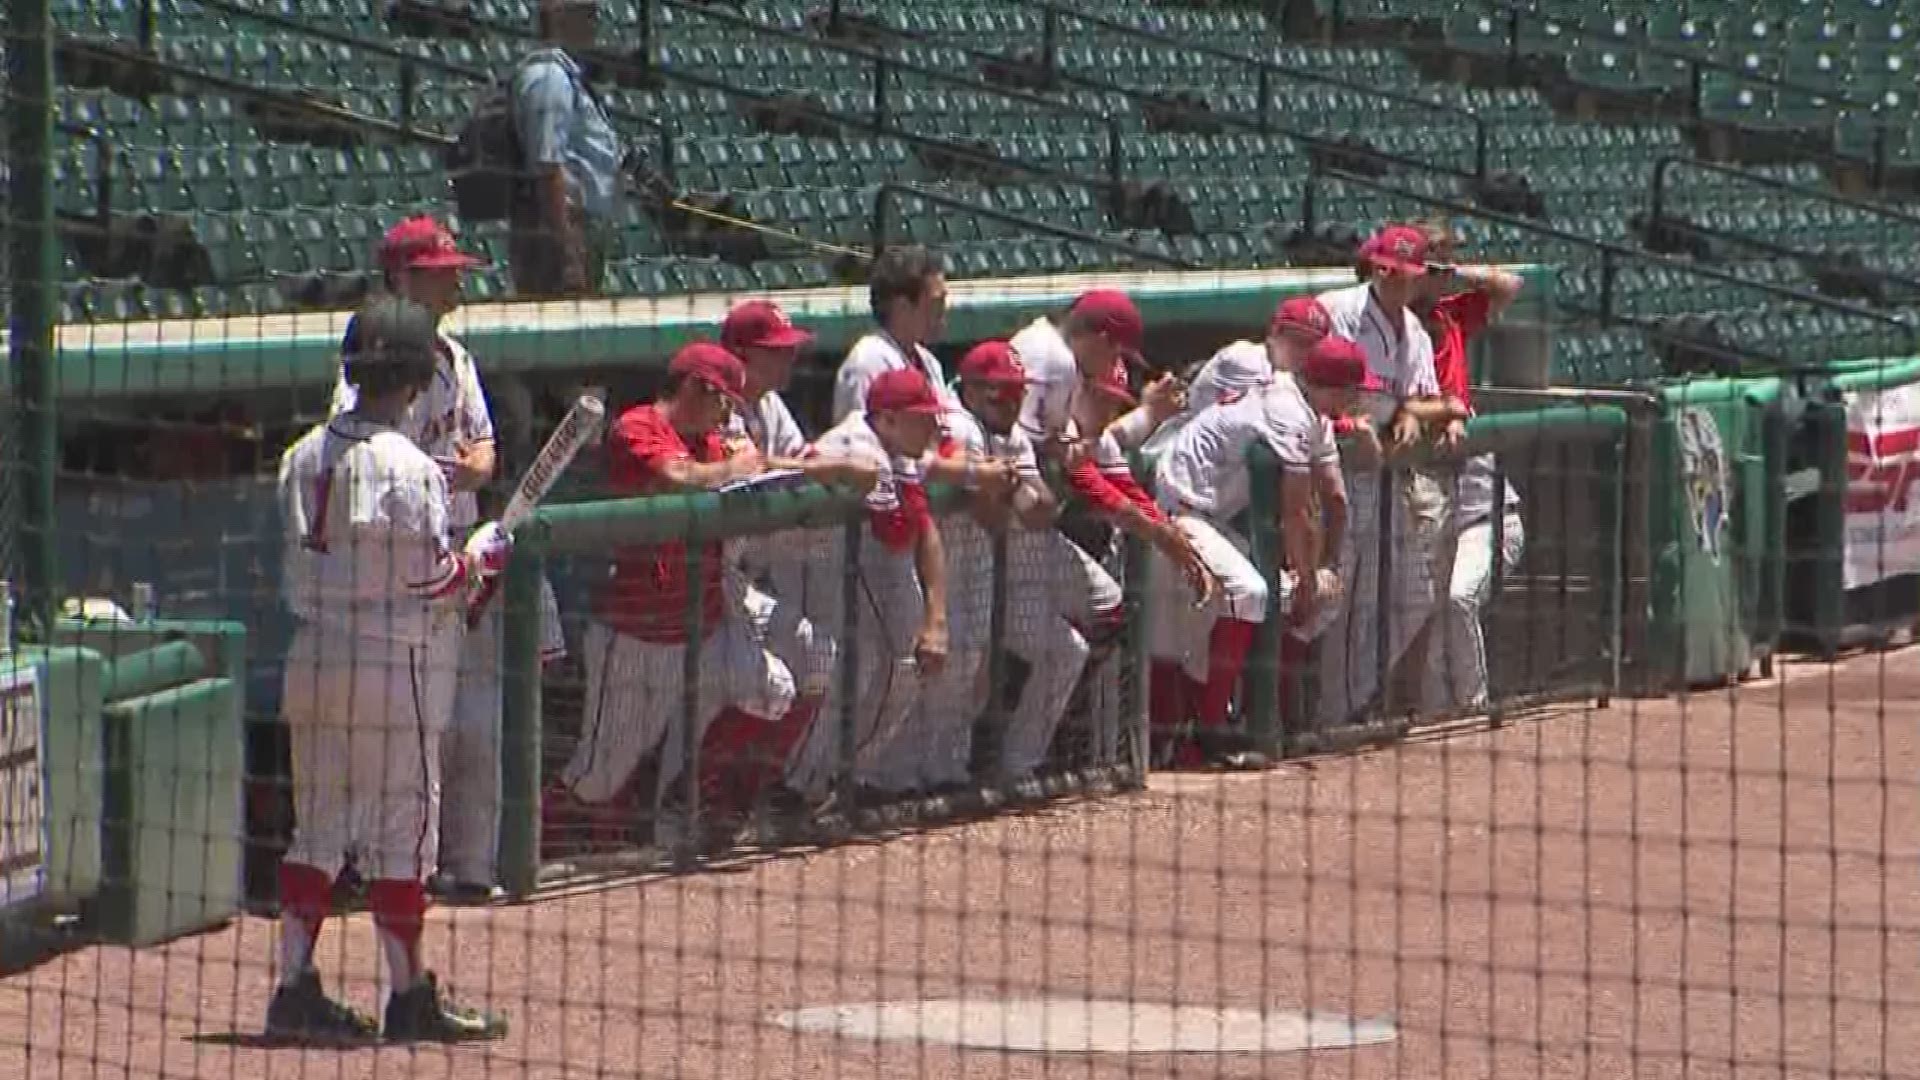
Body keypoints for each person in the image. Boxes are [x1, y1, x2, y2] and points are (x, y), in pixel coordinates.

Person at [271, 294, 511, 1044]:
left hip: (312, 655)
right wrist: (481, 559)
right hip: (389, 660)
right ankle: (409, 995)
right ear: (414, 377)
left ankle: (293, 989)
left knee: (318, 828)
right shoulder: (411, 466)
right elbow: (432, 582)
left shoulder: (300, 453)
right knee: (404, 831)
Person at [329, 215, 565, 905]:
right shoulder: (367, 361)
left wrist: (470, 469)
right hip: (392, 573)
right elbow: (363, 451)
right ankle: (373, 869)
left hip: (459, 558)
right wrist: (441, 472)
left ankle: (466, 865)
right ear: (404, 278)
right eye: (442, 269)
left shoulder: (457, 358)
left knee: (474, 722)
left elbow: (484, 454)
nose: (458, 278)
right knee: (395, 733)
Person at [546, 342, 798, 852]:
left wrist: (759, 463)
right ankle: (528, 849)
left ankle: (697, 807)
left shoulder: (709, 440)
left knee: (774, 690)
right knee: (599, 773)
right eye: (721, 399)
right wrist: (735, 468)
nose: (727, 413)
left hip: (698, 626)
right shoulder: (637, 426)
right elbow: (675, 476)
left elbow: (750, 464)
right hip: (633, 632)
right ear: (692, 387)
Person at [1147, 336, 1366, 768]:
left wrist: (1315, 575)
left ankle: (1263, 721)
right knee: (1248, 593)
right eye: (1353, 389)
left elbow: (1330, 500)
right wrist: (1305, 577)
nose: (1358, 397)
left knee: (1289, 597)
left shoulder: (1307, 409)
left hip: (1214, 521)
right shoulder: (1287, 410)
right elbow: (1295, 510)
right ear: (1333, 387)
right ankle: (1209, 735)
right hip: (1176, 510)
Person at [1313, 223, 1468, 727]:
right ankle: (1329, 717)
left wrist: (1408, 414)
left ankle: (1350, 705)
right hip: (1331, 467)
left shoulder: (1416, 332)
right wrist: (1342, 424)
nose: (1394, 279)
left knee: (1414, 597)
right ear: (1374, 265)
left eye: (1404, 273)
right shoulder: (1336, 310)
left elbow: (1428, 399)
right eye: (1387, 269)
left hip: (1382, 476)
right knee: (1335, 600)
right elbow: (1301, 384)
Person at [784, 369, 952, 803]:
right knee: (853, 671)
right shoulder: (860, 446)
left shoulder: (895, 447)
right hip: (797, 562)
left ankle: (829, 781)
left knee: (891, 669)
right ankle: (802, 786)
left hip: (834, 561)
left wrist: (936, 616)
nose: (932, 426)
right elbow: (898, 531)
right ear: (888, 419)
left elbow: (916, 525)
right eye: (922, 418)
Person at [1410, 218, 1526, 714]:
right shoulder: (1392, 324)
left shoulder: (1449, 312)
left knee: (1456, 600)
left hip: (1485, 517)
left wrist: (1451, 269)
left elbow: (1510, 285)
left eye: (1439, 252)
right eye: (1425, 254)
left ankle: (1475, 707)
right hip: (1430, 502)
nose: (1433, 261)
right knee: (1425, 615)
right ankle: (1438, 717)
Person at [510, 0, 621, 298]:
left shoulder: (566, 74)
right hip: (558, 230)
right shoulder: (549, 76)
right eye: (586, 13)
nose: (594, 21)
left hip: (574, 226)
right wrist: (567, 250)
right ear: (557, 17)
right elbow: (548, 167)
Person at [1143, 295, 1334, 458]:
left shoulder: (1292, 377)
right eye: (1298, 341)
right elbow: (1279, 421)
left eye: (1313, 345)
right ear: (1274, 332)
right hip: (1174, 457)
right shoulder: (1244, 358)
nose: (1305, 352)